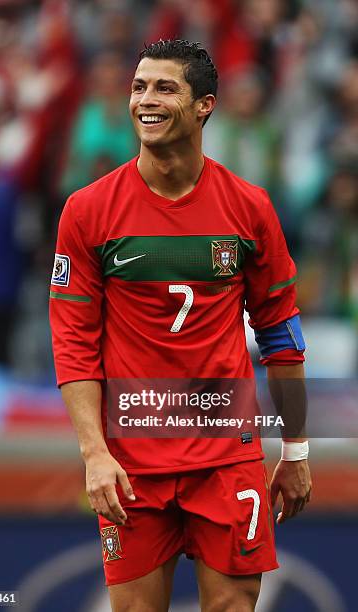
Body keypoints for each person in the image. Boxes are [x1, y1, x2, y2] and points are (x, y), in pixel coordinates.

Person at [50, 39, 312, 612]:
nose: (146, 99)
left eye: (165, 87)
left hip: (226, 454)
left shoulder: (249, 208)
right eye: (139, 87)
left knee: (231, 607)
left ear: (205, 106)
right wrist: (93, 452)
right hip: (131, 460)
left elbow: (280, 330)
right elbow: (72, 341)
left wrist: (295, 450)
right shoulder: (88, 210)